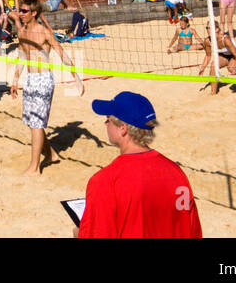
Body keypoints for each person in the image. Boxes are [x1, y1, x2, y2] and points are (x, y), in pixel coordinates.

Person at [77, 91, 202, 238]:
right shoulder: (176, 173)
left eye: (108, 119)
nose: (105, 123)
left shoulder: (105, 181)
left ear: (122, 128)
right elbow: (192, 230)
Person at [11, 0, 82, 176]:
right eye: (20, 10)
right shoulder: (22, 31)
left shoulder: (43, 32)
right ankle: (51, 154)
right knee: (32, 122)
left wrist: (76, 77)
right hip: (30, 79)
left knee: (36, 123)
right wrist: (15, 78)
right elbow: (21, 55)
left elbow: (61, 53)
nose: (20, 13)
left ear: (34, 13)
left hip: (43, 80)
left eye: (24, 11)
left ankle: (34, 168)